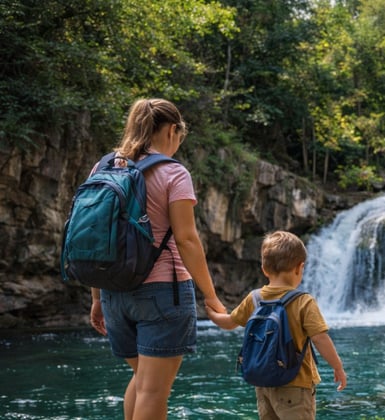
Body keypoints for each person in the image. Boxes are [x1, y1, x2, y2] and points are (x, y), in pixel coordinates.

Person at [88, 98, 227, 420]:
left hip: (113, 294)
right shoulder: (172, 172)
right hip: (163, 293)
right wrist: (210, 295)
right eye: (181, 135)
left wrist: (96, 297)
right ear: (173, 130)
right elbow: (187, 239)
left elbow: (96, 237)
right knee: (153, 389)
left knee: (142, 380)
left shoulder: (104, 166)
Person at [205, 230, 347, 420]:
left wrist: (212, 314)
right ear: (300, 268)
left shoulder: (254, 298)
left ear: (264, 269)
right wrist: (337, 366)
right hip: (296, 385)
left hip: (263, 384)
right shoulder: (303, 301)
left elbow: (229, 322)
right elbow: (320, 338)